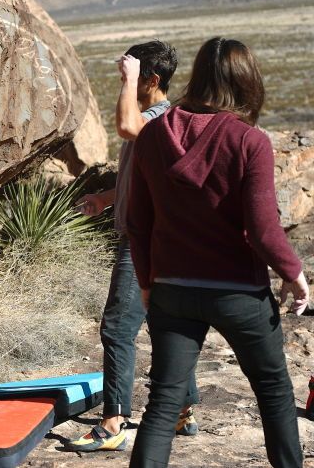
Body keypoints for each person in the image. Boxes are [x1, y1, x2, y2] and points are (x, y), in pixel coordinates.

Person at [127, 37, 309, 468]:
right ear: (248, 82)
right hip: (239, 293)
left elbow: (138, 222)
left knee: (164, 402)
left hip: (172, 289)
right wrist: (294, 273)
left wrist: (147, 283)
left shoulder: (153, 134)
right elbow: (263, 229)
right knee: (274, 392)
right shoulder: (249, 141)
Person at [68, 40, 199, 453]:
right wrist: (105, 199)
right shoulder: (155, 121)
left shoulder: (160, 121)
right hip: (154, 238)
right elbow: (140, 178)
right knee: (165, 325)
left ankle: (114, 421)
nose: (123, 83)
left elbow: (127, 126)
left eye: (132, 77)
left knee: (118, 327)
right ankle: (182, 408)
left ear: (152, 80)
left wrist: (128, 80)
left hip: (145, 242)